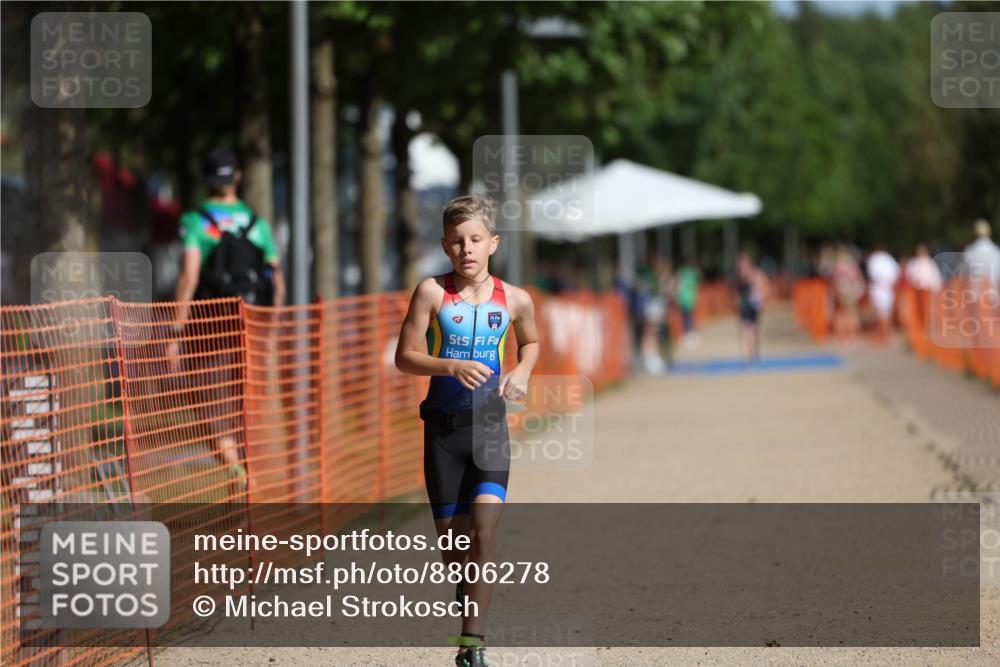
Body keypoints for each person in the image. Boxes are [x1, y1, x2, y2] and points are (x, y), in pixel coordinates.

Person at [394, 194, 539, 667]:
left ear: (493, 243)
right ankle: (471, 607)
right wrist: (449, 365)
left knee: (484, 535)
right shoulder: (431, 293)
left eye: (476, 239)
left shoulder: (515, 299)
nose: (467, 249)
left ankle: (471, 648)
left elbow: (532, 342)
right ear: (444, 245)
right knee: (456, 549)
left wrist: (521, 372)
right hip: (442, 434)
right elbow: (405, 356)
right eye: (457, 241)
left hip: (490, 429)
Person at [166, 147, 285, 494]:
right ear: (237, 177)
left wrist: (176, 330)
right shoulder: (257, 223)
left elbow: (189, 276)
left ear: (206, 180)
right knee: (242, 406)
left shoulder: (195, 222)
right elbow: (276, 281)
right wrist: (271, 328)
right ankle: (249, 482)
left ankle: (238, 473)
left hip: (209, 325)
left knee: (203, 403)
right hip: (251, 326)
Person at [733, 253, 769, 363]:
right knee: (746, 329)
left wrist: (762, 299)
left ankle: (752, 352)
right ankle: (747, 354)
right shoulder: (739, 276)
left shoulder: (756, 274)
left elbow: (764, 286)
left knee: (751, 329)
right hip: (744, 306)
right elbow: (736, 292)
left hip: (753, 305)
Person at [866, 245, 901, 344]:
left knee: (881, 313)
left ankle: (882, 335)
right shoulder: (888, 259)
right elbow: (896, 272)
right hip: (887, 289)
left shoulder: (875, 259)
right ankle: (885, 335)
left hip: (879, 289)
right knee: (886, 313)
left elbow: (872, 274)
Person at [830, 245, 864, 344]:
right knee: (851, 313)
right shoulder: (852, 266)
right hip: (850, 291)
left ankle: (840, 336)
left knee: (840, 313)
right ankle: (851, 335)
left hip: (840, 290)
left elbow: (833, 281)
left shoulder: (837, 266)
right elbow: (857, 278)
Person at [963, 219, 1000, 290]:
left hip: (974, 295)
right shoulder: (996, 251)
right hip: (994, 295)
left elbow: (964, 274)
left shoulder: (970, 250)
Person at [675, 260, 700, 348]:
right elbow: (695, 285)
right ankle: (691, 334)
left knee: (686, 317)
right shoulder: (691, 273)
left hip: (684, 298)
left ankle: (689, 334)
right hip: (690, 298)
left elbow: (678, 286)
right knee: (690, 317)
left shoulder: (681, 273)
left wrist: (677, 296)